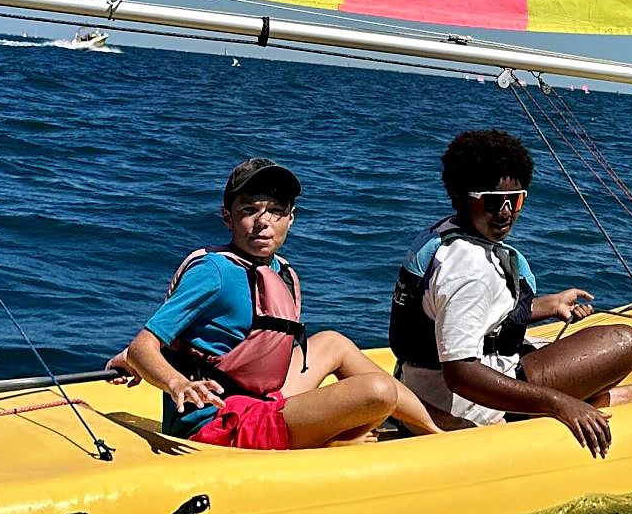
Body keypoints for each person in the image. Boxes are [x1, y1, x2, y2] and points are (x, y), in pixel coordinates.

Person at [124, 157, 440, 450]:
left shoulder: (282, 271)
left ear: (290, 218)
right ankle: (333, 444)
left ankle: (437, 435)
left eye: (275, 210)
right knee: (377, 391)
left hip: (259, 402)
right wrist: (175, 381)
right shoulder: (215, 271)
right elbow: (142, 347)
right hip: (219, 424)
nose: (263, 222)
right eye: (249, 209)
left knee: (333, 342)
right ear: (227, 217)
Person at [389, 129, 632, 454]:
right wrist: (560, 404)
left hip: (418, 388)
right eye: (493, 202)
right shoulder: (469, 268)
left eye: (515, 200)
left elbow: (470, 316)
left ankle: (583, 397)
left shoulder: (442, 237)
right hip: (467, 407)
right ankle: (595, 402)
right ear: (460, 195)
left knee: (551, 346)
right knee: (625, 342)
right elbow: (460, 373)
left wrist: (547, 305)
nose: (506, 213)